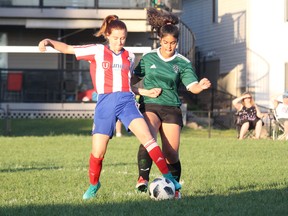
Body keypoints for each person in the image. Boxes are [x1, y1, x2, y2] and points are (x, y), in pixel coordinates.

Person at [38, 14, 181, 200]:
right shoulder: (96, 50)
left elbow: (129, 84)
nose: (119, 41)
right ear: (107, 35)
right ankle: (94, 184)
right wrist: (48, 41)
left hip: (127, 102)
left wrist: (144, 92)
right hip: (105, 103)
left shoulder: (129, 56)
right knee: (98, 152)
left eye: (123, 38)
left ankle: (170, 178)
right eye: (115, 38)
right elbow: (68, 48)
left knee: (148, 138)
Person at [131, 8, 211, 199]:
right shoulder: (149, 57)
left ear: (177, 42)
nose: (169, 46)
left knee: (171, 153)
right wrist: (137, 90)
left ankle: (174, 189)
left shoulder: (182, 62)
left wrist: (201, 86)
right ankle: (143, 178)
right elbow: (132, 80)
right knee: (148, 137)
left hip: (171, 107)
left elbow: (192, 86)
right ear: (160, 40)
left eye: (173, 43)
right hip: (150, 104)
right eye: (166, 42)